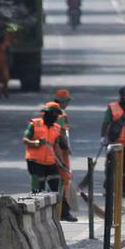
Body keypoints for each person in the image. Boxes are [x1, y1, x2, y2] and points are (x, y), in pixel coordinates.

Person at [23, 103, 72, 218]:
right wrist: (35, 143)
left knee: (57, 187)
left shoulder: (56, 128)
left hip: (50, 162)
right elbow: (25, 139)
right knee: (38, 189)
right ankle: (36, 215)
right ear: (47, 114)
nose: (56, 118)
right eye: (54, 115)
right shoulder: (34, 124)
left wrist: (62, 163)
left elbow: (56, 147)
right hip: (35, 161)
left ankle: (63, 213)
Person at [101, 85, 125, 196]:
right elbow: (106, 122)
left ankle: (123, 190)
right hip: (113, 142)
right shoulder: (112, 107)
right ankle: (108, 189)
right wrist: (103, 137)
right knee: (111, 166)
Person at [52, 89, 78, 221]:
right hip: (59, 151)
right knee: (64, 180)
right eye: (67, 101)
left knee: (56, 180)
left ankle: (58, 210)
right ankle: (64, 211)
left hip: (52, 150)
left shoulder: (50, 110)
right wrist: (67, 148)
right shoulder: (60, 114)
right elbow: (61, 134)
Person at [0, 27, 12, 97]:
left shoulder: (5, 45)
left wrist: (9, 63)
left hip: (4, 65)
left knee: (5, 79)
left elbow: (9, 55)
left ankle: (5, 91)